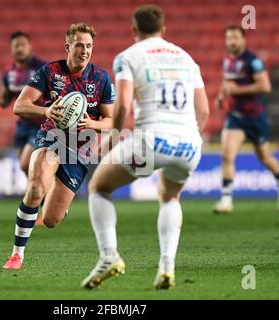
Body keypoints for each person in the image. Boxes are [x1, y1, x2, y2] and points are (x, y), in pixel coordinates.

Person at [81, 5, 209, 290]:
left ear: (133, 30)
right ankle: (166, 266)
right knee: (170, 197)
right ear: (164, 29)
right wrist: (188, 137)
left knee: (98, 188)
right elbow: (204, 111)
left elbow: (124, 104)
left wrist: (113, 138)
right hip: (189, 143)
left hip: (151, 140)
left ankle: (108, 256)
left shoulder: (128, 56)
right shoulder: (187, 59)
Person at [2, 23, 115, 270]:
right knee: (34, 188)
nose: (85, 51)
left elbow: (113, 121)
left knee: (51, 220)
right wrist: (46, 109)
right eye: (79, 45)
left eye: (89, 46)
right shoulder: (50, 71)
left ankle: (54, 194)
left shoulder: (101, 78)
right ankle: (16, 255)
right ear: (67, 46)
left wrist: (93, 123)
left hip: (80, 149)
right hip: (50, 137)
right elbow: (19, 106)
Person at [213, 25, 279, 214]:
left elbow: (265, 86)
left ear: (243, 39)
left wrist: (236, 91)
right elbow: (228, 82)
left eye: (235, 38)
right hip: (236, 116)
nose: (232, 42)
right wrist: (222, 96)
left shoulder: (253, 61)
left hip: (255, 117)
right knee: (226, 155)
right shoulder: (227, 61)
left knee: (264, 157)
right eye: (229, 38)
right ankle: (226, 199)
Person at [0, 31, 46, 176]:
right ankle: (38, 193)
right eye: (16, 46)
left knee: (26, 163)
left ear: (30, 47)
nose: (20, 49)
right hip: (22, 125)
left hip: (42, 123)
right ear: (11, 49)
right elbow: (6, 101)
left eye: (23, 45)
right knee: (26, 168)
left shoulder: (43, 68)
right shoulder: (7, 73)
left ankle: (44, 191)